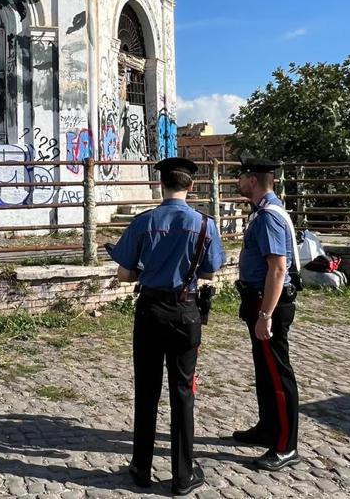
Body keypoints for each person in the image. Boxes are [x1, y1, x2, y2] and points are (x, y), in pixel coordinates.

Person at [109, 157, 224, 495]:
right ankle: (182, 476)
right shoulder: (205, 225)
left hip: (149, 311)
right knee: (183, 393)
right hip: (185, 312)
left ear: (161, 185)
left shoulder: (144, 222)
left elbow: (124, 273)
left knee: (146, 391)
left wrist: (147, 272)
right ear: (191, 186)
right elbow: (209, 272)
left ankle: (140, 467)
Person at [233, 158, 301, 471]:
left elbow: (278, 269)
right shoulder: (263, 211)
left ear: (253, 180)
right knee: (264, 369)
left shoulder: (268, 217)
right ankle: (267, 428)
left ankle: (286, 445)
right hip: (259, 301)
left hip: (268, 303)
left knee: (277, 374)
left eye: (241, 177)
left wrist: (265, 314)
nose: (238, 182)